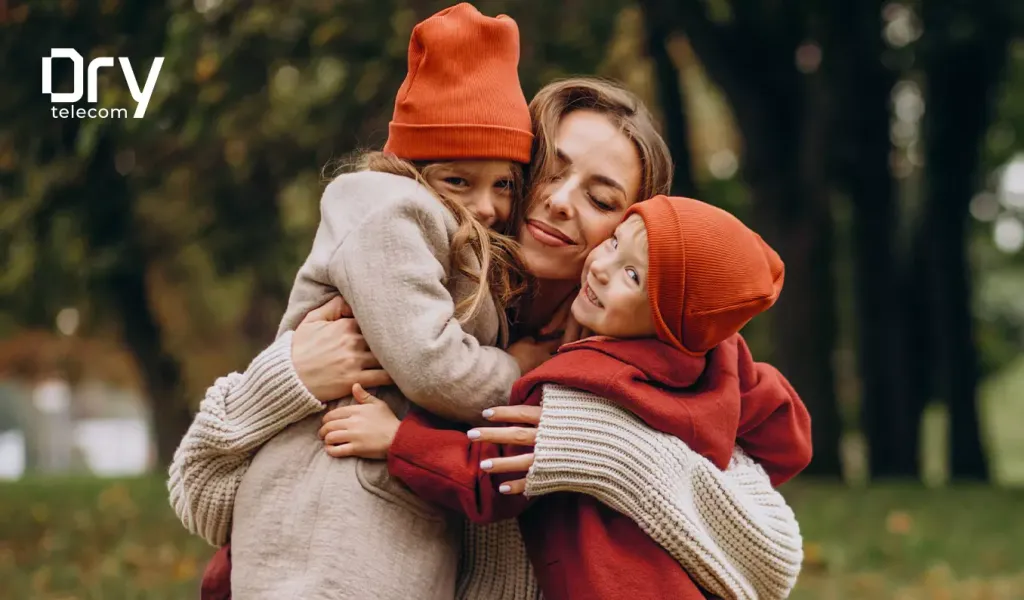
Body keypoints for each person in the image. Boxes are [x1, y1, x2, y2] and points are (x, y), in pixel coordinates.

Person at [171, 49, 806, 600]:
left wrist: (600, 449)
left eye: (600, 198)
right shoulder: (405, 307)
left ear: (640, 228)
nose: (560, 200)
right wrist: (290, 377)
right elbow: (204, 499)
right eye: (550, 169)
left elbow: (773, 558)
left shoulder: (658, 357)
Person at [171, 4, 556, 598]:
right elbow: (431, 365)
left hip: (377, 526)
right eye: (459, 180)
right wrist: (518, 370)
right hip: (328, 524)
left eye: (503, 183)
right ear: (413, 169)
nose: (486, 206)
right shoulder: (389, 212)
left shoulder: (457, 235)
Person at [326, 196, 813, 599]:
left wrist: (398, 439)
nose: (602, 268)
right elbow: (788, 440)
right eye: (616, 243)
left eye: (634, 276)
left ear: (670, 321)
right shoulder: (722, 363)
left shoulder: (581, 384)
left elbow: (490, 480)